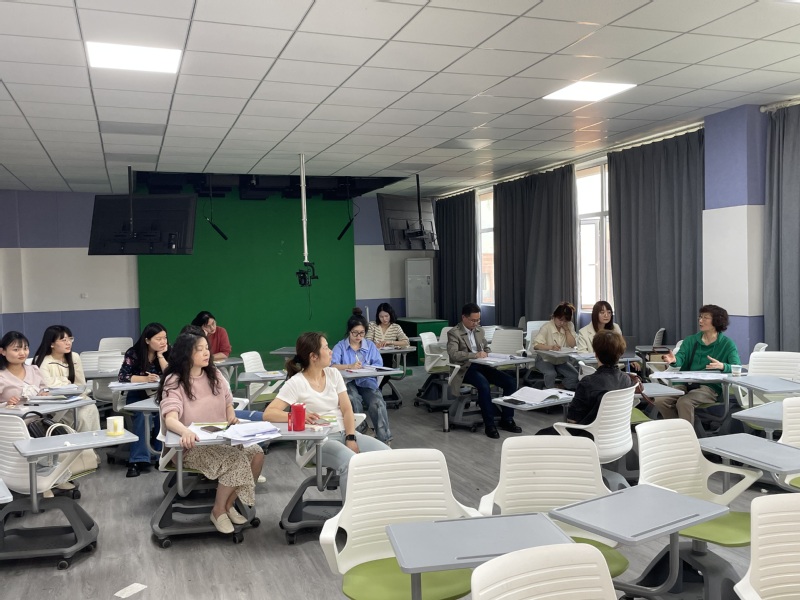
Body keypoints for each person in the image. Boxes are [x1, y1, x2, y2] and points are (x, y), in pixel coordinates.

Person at [158, 329, 264, 534]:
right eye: (200, 349)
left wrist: (231, 417)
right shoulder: (175, 380)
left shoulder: (214, 374)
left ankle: (229, 505)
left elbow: (228, 403)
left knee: (257, 453)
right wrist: (185, 432)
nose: (207, 353)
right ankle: (218, 511)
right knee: (236, 459)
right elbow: (170, 419)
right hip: (191, 447)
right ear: (186, 353)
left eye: (207, 348)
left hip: (222, 440)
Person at [263, 332, 389, 497]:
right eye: (326, 348)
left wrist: (351, 437)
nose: (331, 352)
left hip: (346, 433)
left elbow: (347, 409)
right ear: (313, 356)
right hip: (318, 441)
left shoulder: (333, 374)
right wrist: (297, 417)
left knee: (388, 456)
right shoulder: (296, 383)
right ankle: (351, 513)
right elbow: (269, 413)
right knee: (352, 464)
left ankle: (378, 505)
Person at [653, 304, 740, 424]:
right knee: (660, 401)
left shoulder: (727, 344)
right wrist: (674, 360)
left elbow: (737, 367)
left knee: (684, 402)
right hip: (685, 383)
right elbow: (681, 357)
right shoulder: (691, 340)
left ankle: (685, 434)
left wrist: (723, 366)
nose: (700, 320)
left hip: (710, 387)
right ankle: (676, 428)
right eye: (700, 317)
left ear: (717, 321)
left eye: (705, 318)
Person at [537, 330, 633, 436]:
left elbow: (572, 420)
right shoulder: (626, 380)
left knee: (540, 435)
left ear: (596, 354)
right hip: (617, 436)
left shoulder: (588, 383)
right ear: (621, 354)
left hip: (587, 436)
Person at [447, 302, 520, 439]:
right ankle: (489, 425)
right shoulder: (454, 333)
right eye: (473, 320)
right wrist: (474, 355)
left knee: (510, 382)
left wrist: (489, 355)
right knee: (484, 386)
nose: (476, 323)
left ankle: (507, 419)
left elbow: (485, 348)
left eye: (478, 320)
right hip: (465, 368)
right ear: (464, 317)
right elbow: (453, 354)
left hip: (483, 365)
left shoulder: (480, 331)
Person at [331, 308, 392, 444]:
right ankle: (359, 434)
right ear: (349, 331)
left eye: (362, 333)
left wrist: (368, 368)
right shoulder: (340, 347)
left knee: (377, 402)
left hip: (366, 380)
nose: (358, 336)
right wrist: (349, 366)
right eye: (355, 333)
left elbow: (378, 365)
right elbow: (332, 366)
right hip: (347, 382)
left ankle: (384, 439)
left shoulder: (370, 346)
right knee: (352, 399)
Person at [118, 322, 170, 478]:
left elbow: (170, 374)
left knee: (163, 414)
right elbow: (123, 376)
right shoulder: (134, 353)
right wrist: (145, 379)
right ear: (147, 340)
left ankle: (161, 456)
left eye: (165, 338)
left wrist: (161, 356)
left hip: (158, 395)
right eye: (158, 339)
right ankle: (138, 460)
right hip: (137, 394)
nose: (163, 342)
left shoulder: (168, 351)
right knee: (141, 415)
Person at [32, 325, 101, 432]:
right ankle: (81, 441)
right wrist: (68, 386)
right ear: (51, 344)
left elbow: (80, 384)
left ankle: (93, 441)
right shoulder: (43, 361)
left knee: (91, 407)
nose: (68, 343)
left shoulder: (74, 357)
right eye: (63, 340)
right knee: (82, 416)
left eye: (70, 339)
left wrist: (73, 390)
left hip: (76, 398)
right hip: (56, 402)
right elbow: (48, 388)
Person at [533, 302, 579, 391]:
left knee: (574, 375)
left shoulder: (569, 326)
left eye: (565, 321)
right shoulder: (546, 327)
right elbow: (536, 346)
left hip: (560, 360)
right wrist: (550, 347)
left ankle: (560, 388)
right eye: (560, 319)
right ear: (554, 316)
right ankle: (548, 392)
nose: (562, 323)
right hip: (545, 359)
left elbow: (572, 344)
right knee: (551, 374)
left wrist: (567, 330)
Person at [0, 331, 49, 406]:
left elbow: (45, 389)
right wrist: (6, 404)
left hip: (40, 412)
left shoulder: (34, 370)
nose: (22, 353)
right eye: (16, 350)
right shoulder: (2, 376)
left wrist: (45, 393)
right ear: (3, 351)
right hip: (12, 413)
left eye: (25, 349)